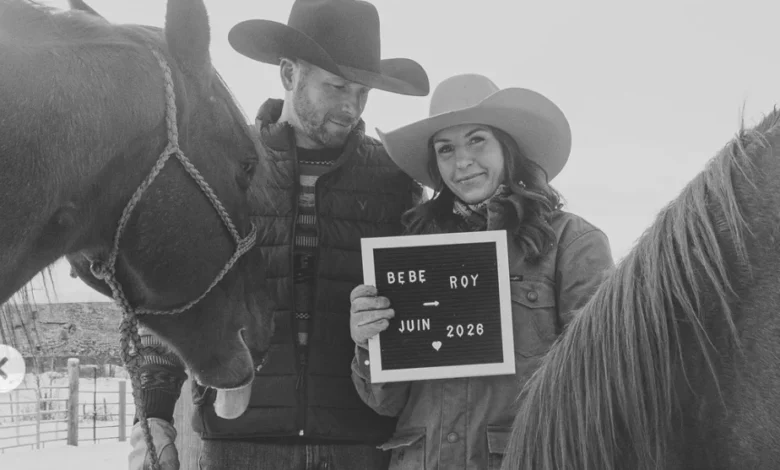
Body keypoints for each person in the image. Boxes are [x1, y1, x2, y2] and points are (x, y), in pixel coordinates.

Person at [126, 1, 430, 469]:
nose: (351, 107)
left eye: (362, 92)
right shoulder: (217, 168)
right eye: (336, 87)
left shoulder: (395, 180)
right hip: (238, 445)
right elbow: (169, 296)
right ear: (289, 74)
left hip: (360, 446)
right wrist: (153, 419)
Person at [349, 73, 615, 470]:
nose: (462, 162)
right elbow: (384, 403)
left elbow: (602, 384)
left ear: (508, 147)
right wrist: (368, 340)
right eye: (445, 149)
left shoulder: (573, 242)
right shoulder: (409, 248)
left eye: (477, 140)